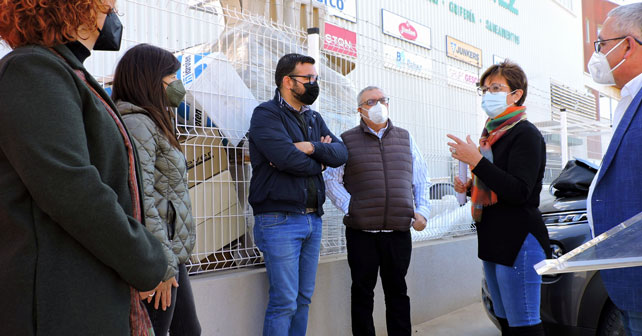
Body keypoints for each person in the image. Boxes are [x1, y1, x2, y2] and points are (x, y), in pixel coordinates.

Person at [0, 1, 168, 335]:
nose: (113, 10)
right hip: (57, 303)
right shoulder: (33, 68)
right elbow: (71, 187)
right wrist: (147, 259)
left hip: (81, 291)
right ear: (73, 7)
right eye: (107, 4)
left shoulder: (64, 70)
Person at [447, 61, 550, 336]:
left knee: (524, 325)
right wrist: (471, 187)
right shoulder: (491, 135)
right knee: (505, 323)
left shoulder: (525, 133)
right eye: (484, 89)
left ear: (516, 94)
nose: (487, 94)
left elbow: (520, 191)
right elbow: (496, 185)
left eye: (495, 87)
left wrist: (477, 162)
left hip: (519, 240)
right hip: (493, 239)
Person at [248, 53, 348, 336]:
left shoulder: (314, 118)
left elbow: (341, 153)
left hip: (312, 219)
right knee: (284, 302)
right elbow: (285, 158)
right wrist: (320, 158)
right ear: (287, 82)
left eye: (315, 78)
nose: (314, 84)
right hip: (278, 219)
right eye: (308, 79)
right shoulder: (266, 114)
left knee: (303, 300)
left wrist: (310, 147)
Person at [324, 86, 430, 336]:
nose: (378, 105)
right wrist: (351, 207)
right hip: (362, 233)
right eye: (371, 101)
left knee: (398, 292)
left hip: (398, 231)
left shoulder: (405, 138)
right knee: (362, 292)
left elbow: (421, 179)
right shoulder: (347, 140)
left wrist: (422, 210)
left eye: (383, 100)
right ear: (360, 109)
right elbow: (331, 178)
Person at [112, 43, 202, 336]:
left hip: (171, 254)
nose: (178, 85)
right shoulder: (137, 123)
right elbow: (142, 197)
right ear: (151, 80)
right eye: (173, 77)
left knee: (188, 331)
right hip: (160, 257)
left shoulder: (152, 121)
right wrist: (160, 265)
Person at [587, 4, 642, 335]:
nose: (597, 54)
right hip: (628, 278)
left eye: (601, 43)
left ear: (628, 45)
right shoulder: (629, 99)